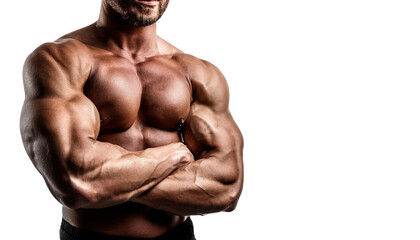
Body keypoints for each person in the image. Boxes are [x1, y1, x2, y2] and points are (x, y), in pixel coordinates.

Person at [20, 0, 244, 239]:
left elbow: (226, 186)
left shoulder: (197, 73)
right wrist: (174, 155)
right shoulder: (59, 61)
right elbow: (75, 179)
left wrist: (107, 184)